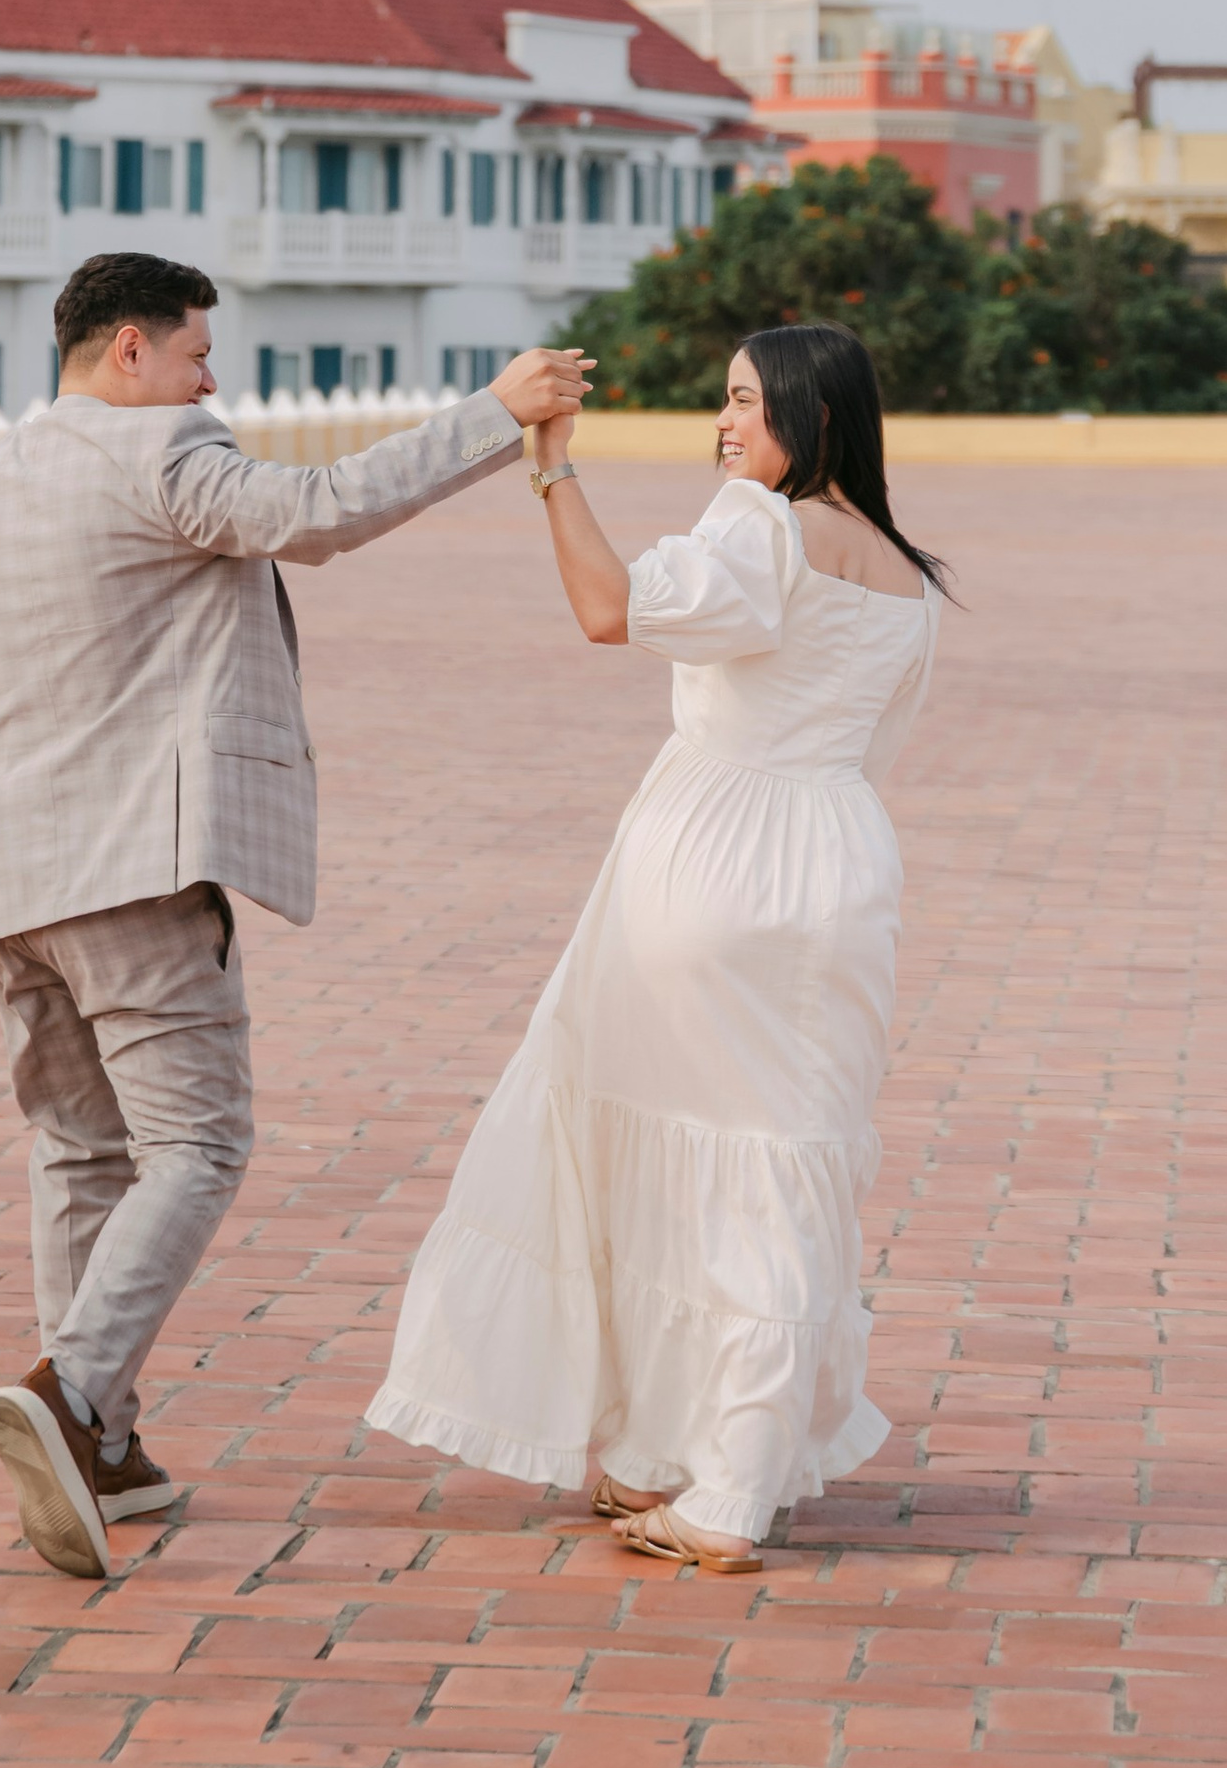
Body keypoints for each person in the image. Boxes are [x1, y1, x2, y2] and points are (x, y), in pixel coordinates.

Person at [0, 250, 590, 1580]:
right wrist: (498, 412)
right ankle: (72, 1385)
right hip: (131, 867)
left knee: (79, 1152)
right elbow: (320, 508)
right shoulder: (164, 449)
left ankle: (103, 1441)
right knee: (200, 1144)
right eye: (198, 349)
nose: (214, 374)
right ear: (130, 353)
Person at [368, 321, 947, 1573]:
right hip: (839, 861)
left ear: (811, 405)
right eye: (723, 402)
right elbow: (868, 743)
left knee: (651, 1137)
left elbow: (605, 610)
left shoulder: (759, 523)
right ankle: (678, 1453)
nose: (726, 425)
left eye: (745, 400)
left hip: (710, 850)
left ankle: (716, 1489)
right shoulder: (906, 572)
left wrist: (552, 467)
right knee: (780, 1158)